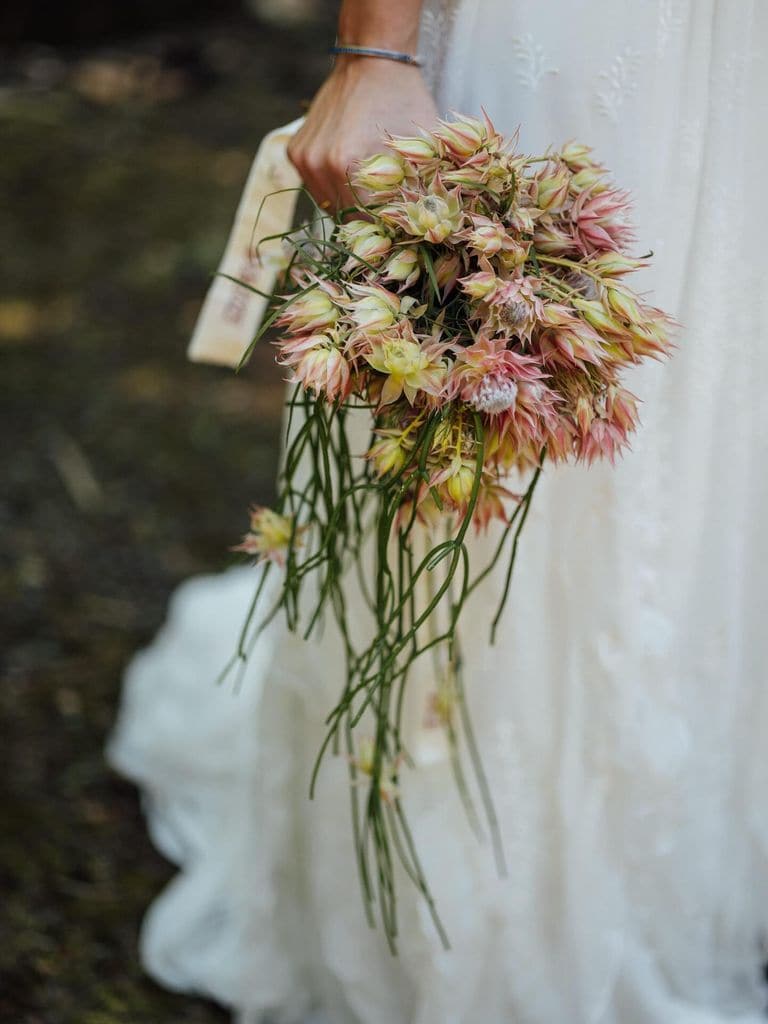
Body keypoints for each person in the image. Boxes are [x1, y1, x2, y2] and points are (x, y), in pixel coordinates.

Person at [108, 1, 768, 1021]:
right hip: (574, 44)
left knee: (700, 433)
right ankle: (451, 902)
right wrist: (377, 47)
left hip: (733, 65)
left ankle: (650, 857)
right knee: (480, 464)